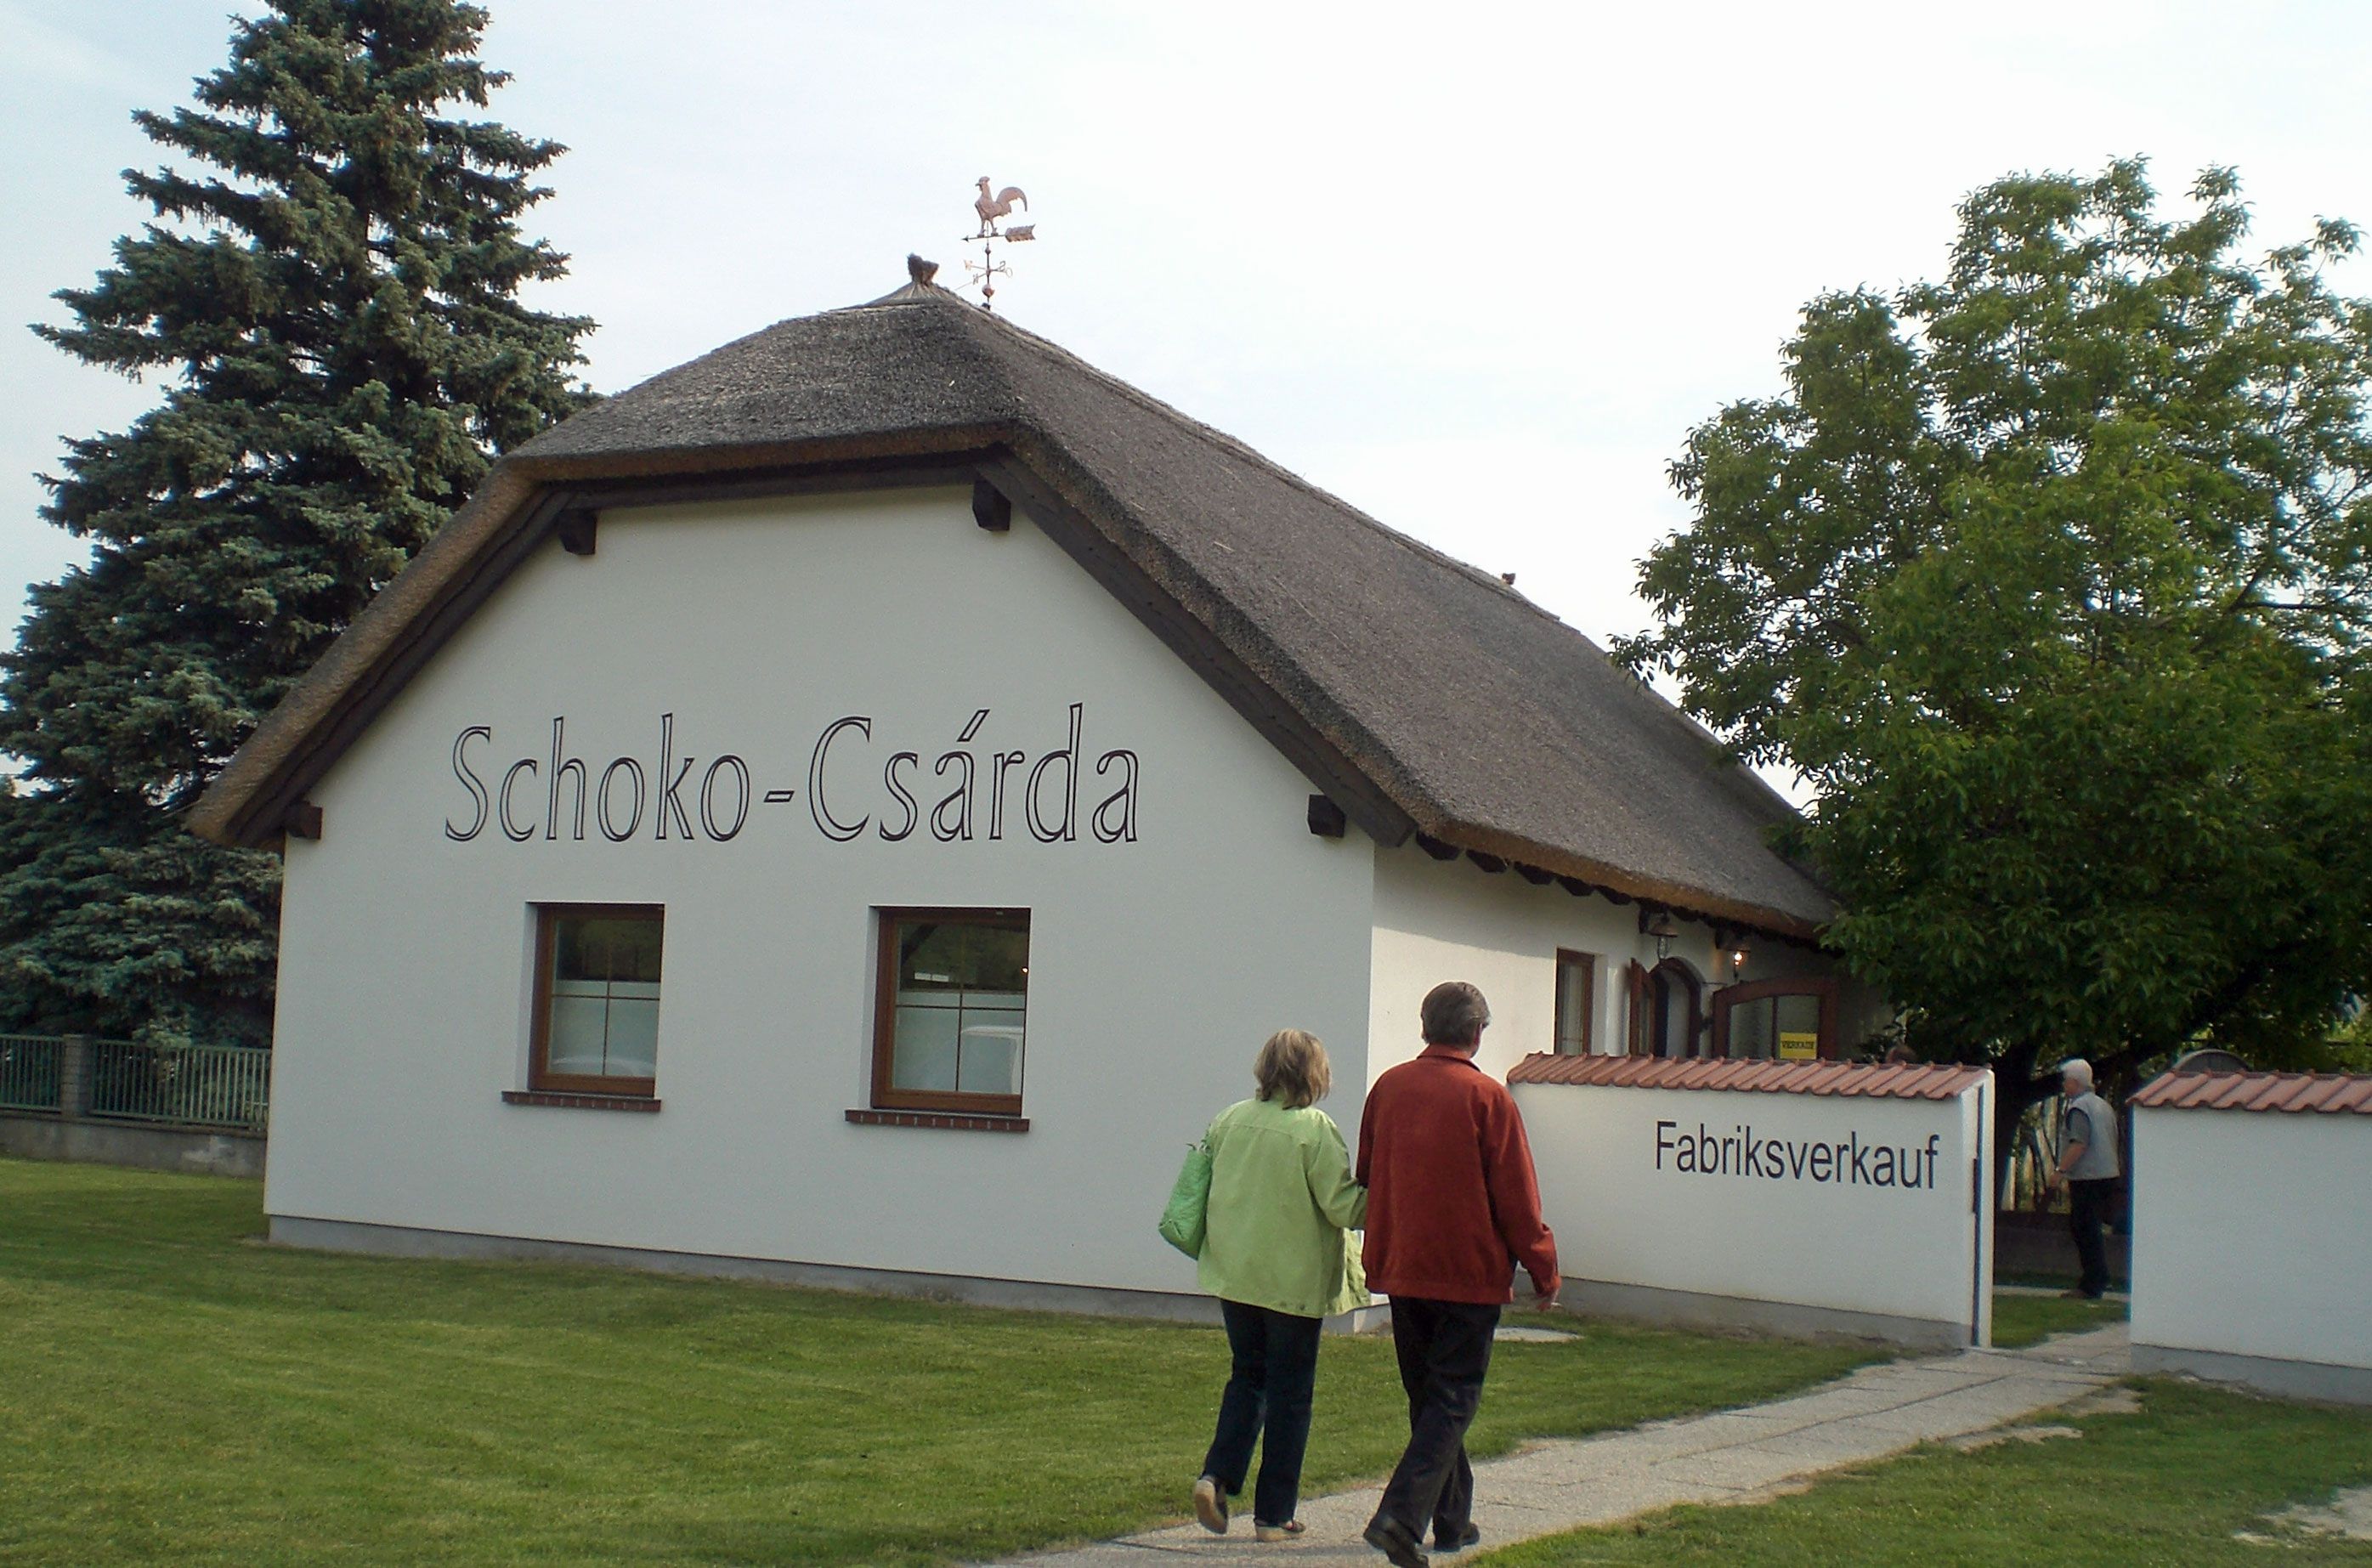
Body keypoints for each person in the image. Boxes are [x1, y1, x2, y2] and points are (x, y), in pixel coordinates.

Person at [1357, 982, 1560, 1568]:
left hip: (1403, 1263)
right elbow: (1517, 1197)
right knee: (1451, 1399)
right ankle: (1400, 1517)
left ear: (1425, 1025)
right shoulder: (1488, 1097)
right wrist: (1543, 1266)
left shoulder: (1388, 1087)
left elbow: (1368, 1171)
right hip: (1468, 1271)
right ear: (1476, 1032)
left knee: (1429, 1397)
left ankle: (1450, 1520)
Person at [1192, 1029, 1369, 1543]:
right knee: (1291, 1395)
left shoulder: (1229, 1119)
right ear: (1315, 1074)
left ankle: (1216, 1476)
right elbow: (1342, 1206)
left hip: (1236, 1274)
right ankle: (1274, 1515)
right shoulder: (1314, 1129)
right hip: (1292, 1282)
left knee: (1247, 1377)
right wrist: (1386, 1196)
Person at [2043, 1058, 2122, 1299]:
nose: (2063, 1085)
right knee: (2090, 1227)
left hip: (2088, 1177)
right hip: (2108, 1173)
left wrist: (2060, 1171)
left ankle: (2092, 1282)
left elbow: (2079, 1143)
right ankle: (2097, 1278)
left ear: (2075, 1082)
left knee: (2084, 1228)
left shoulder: (2079, 1108)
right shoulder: (2103, 1106)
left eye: (2066, 1080)